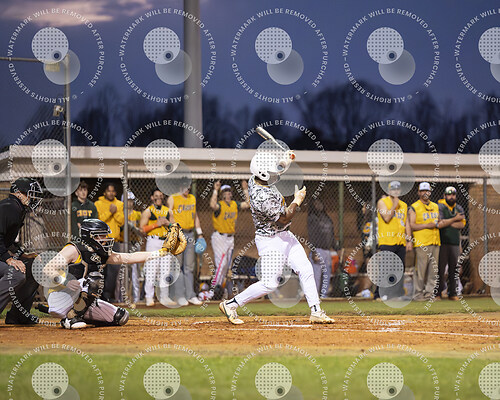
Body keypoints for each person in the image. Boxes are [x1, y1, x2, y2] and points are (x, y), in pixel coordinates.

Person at [219, 149, 334, 324]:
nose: (274, 173)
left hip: (285, 235)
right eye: (270, 170)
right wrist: (297, 200)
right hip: (270, 241)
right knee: (269, 284)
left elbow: (276, 169)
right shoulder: (261, 197)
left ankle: (316, 311)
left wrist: (285, 160)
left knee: (306, 268)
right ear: (263, 173)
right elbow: (284, 218)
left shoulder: (256, 178)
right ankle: (231, 304)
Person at [44, 218, 185, 329]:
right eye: (101, 236)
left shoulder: (100, 253)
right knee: (95, 279)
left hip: (79, 298)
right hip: (61, 296)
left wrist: (161, 252)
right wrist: (66, 282)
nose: (105, 239)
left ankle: (76, 316)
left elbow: (128, 257)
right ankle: (71, 318)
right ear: (89, 236)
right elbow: (47, 269)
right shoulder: (73, 249)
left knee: (120, 317)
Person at [0, 178, 43, 324]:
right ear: (18, 193)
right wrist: (8, 259)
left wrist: (22, 255)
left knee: (34, 267)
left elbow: (8, 241)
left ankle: (18, 315)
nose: (32, 198)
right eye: (29, 194)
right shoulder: (9, 207)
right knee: (16, 274)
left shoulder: (18, 208)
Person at [209, 180, 250, 299]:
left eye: (229, 192)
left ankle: (220, 291)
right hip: (219, 237)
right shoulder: (220, 205)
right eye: (225, 192)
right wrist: (215, 190)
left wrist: (245, 189)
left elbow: (248, 204)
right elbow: (212, 205)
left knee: (227, 267)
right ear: (222, 194)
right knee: (221, 265)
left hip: (230, 238)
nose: (228, 194)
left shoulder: (234, 204)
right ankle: (213, 290)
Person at [167, 180, 204, 306]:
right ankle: (179, 296)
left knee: (189, 267)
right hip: (179, 234)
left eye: (189, 186)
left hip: (190, 234)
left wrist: (200, 233)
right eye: (185, 186)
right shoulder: (173, 198)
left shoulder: (192, 198)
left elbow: (195, 216)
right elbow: (170, 215)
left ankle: (191, 295)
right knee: (178, 266)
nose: (187, 188)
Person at [140, 188, 177, 307]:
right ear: (152, 197)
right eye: (156, 196)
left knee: (165, 270)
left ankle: (164, 297)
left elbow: (175, 227)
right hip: (153, 241)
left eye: (160, 196)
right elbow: (142, 229)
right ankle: (149, 297)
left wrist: (168, 224)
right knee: (152, 269)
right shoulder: (148, 211)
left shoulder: (168, 211)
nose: (159, 198)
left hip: (165, 241)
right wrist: (156, 224)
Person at [376, 181, 413, 299]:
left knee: (399, 270)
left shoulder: (404, 205)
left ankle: (396, 294)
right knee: (385, 269)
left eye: (397, 189)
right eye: (393, 189)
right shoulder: (382, 202)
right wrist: (394, 205)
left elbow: (406, 223)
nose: (395, 191)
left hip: (400, 241)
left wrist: (409, 240)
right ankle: (380, 294)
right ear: (388, 191)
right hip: (387, 240)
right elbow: (387, 218)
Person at [94, 183, 124, 302]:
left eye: (113, 191)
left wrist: (115, 212)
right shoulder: (98, 204)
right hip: (101, 241)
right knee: (100, 269)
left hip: (114, 242)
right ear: (104, 192)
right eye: (108, 191)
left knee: (114, 270)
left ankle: (107, 295)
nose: (111, 193)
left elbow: (121, 221)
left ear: (115, 193)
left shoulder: (119, 204)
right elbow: (98, 221)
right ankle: (97, 294)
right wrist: (109, 212)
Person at [437, 186, 466, 301]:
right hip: (442, 242)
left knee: (454, 269)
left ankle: (452, 293)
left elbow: (462, 224)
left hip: (454, 242)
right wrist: (454, 219)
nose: (451, 197)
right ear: (444, 195)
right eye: (449, 194)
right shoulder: (440, 206)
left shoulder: (459, 208)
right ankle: (438, 293)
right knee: (440, 269)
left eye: (453, 194)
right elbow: (440, 223)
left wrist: (447, 222)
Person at [119, 191, 144, 305]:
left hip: (135, 243)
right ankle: (122, 298)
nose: (129, 203)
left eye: (131, 201)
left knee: (135, 271)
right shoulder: (121, 214)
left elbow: (141, 229)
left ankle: (136, 298)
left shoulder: (137, 214)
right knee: (123, 271)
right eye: (127, 201)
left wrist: (135, 228)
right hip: (124, 243)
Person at [307, 198, 335, 298]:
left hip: (327, 250)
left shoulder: (327, 218)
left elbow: (332, 234)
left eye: (320, 203)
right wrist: (313, 251)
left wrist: (336, 248)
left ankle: (324, 296)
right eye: (316, 204)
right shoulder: (312, 218)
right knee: (316, 275)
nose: (319, 205)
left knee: (327, 275)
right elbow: (312, 235)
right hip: (317, 249)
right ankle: (314, 296)